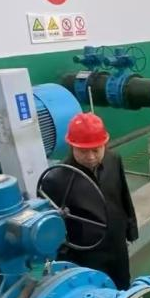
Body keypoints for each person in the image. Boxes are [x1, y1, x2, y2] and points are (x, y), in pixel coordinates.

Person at [42, 112, 138, 289]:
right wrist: (65, 259)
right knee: (96, 292)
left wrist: (131, 228)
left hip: (117, 243)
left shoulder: (113, 160)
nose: (91, 157)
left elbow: (123, 195)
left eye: (96, 150)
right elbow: (53, 227)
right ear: (72, 146)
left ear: (104, 144)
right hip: (87, 253)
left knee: (123, 284)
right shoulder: (56, 179)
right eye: (83, 151)